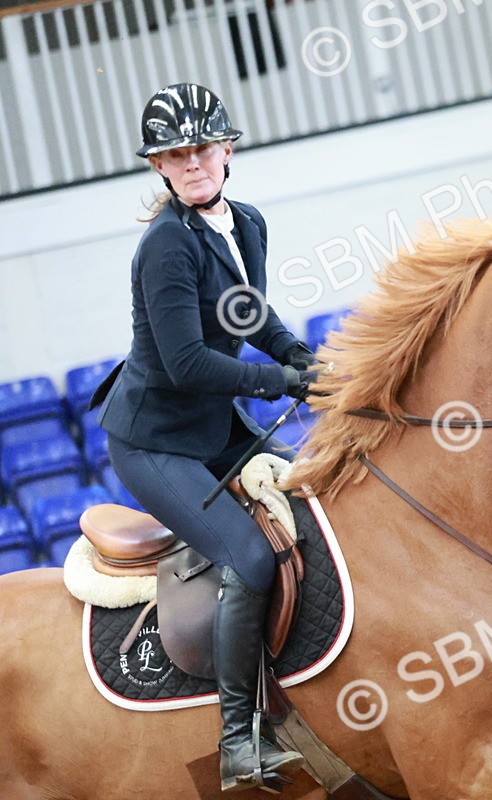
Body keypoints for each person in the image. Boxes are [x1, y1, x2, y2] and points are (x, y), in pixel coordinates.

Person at [89, 83, 320, 793]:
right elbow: (188, 365)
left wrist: (310, 362)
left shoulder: (245, 223)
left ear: (228, 150)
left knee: (319, 497)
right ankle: (238, 741)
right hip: (156, 440)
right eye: (175, 155)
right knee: (249, 555)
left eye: (202, 149)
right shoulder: (164, 248)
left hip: (214, 426)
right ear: (160, 167)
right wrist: (281, 381)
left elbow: (248, 313)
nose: (192, 164)